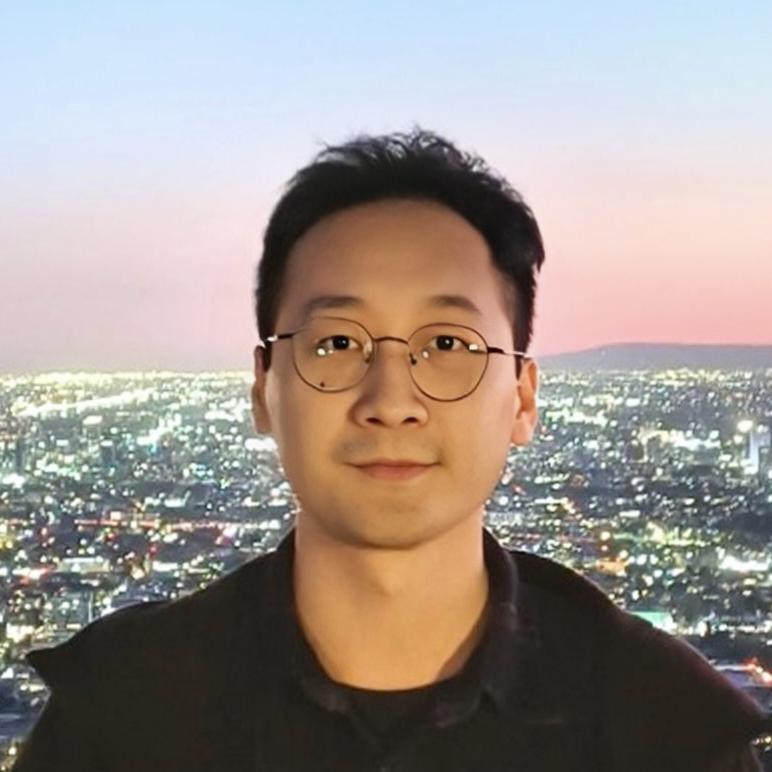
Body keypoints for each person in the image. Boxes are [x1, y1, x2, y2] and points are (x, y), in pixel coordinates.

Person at [13, 127, 770, 771]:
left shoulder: (666, 733)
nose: (391, 401)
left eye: (447, 343)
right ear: (263, 387)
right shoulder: (122, 721)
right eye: (337, 342)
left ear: (523, 397)